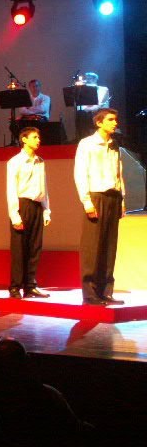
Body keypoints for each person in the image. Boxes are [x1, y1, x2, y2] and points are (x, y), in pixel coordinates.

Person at [74, 108, 125, 305]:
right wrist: (86, 201)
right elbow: (80, 173)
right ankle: (90, 293)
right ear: (99, 122)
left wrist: (122, 198)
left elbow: (119, 173)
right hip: (96, 196)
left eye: (115, 119)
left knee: (109, 246)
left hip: (113, 197)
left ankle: (106, 291)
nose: (115, 123)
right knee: (92, 246)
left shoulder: (115, 145)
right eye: (110, 120)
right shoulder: (87, 144)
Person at [6, 127, 51, 299]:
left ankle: (30, 286)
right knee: (19, 249)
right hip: (22, 205)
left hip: (37, 205)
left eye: (38, 137)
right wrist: (14, 215)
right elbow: (11, 189)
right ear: (24, 140)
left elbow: (44, 187)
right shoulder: (15, 162)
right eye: (34, 137)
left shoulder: (40, 161)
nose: (38, 140)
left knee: (34, 248)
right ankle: (15, 286)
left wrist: (46, 210)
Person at [75, 71, 111, 140]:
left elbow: (97, 105)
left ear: (95, 79)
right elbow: (80, 106)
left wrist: (84, 109)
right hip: (87, 115)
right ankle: (81, 139)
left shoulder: (103, 89)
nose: (87, 81)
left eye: (89, 78)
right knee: (80, 114)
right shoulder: (83, 90)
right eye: (86, 79)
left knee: (83, 114)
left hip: (99, 114)